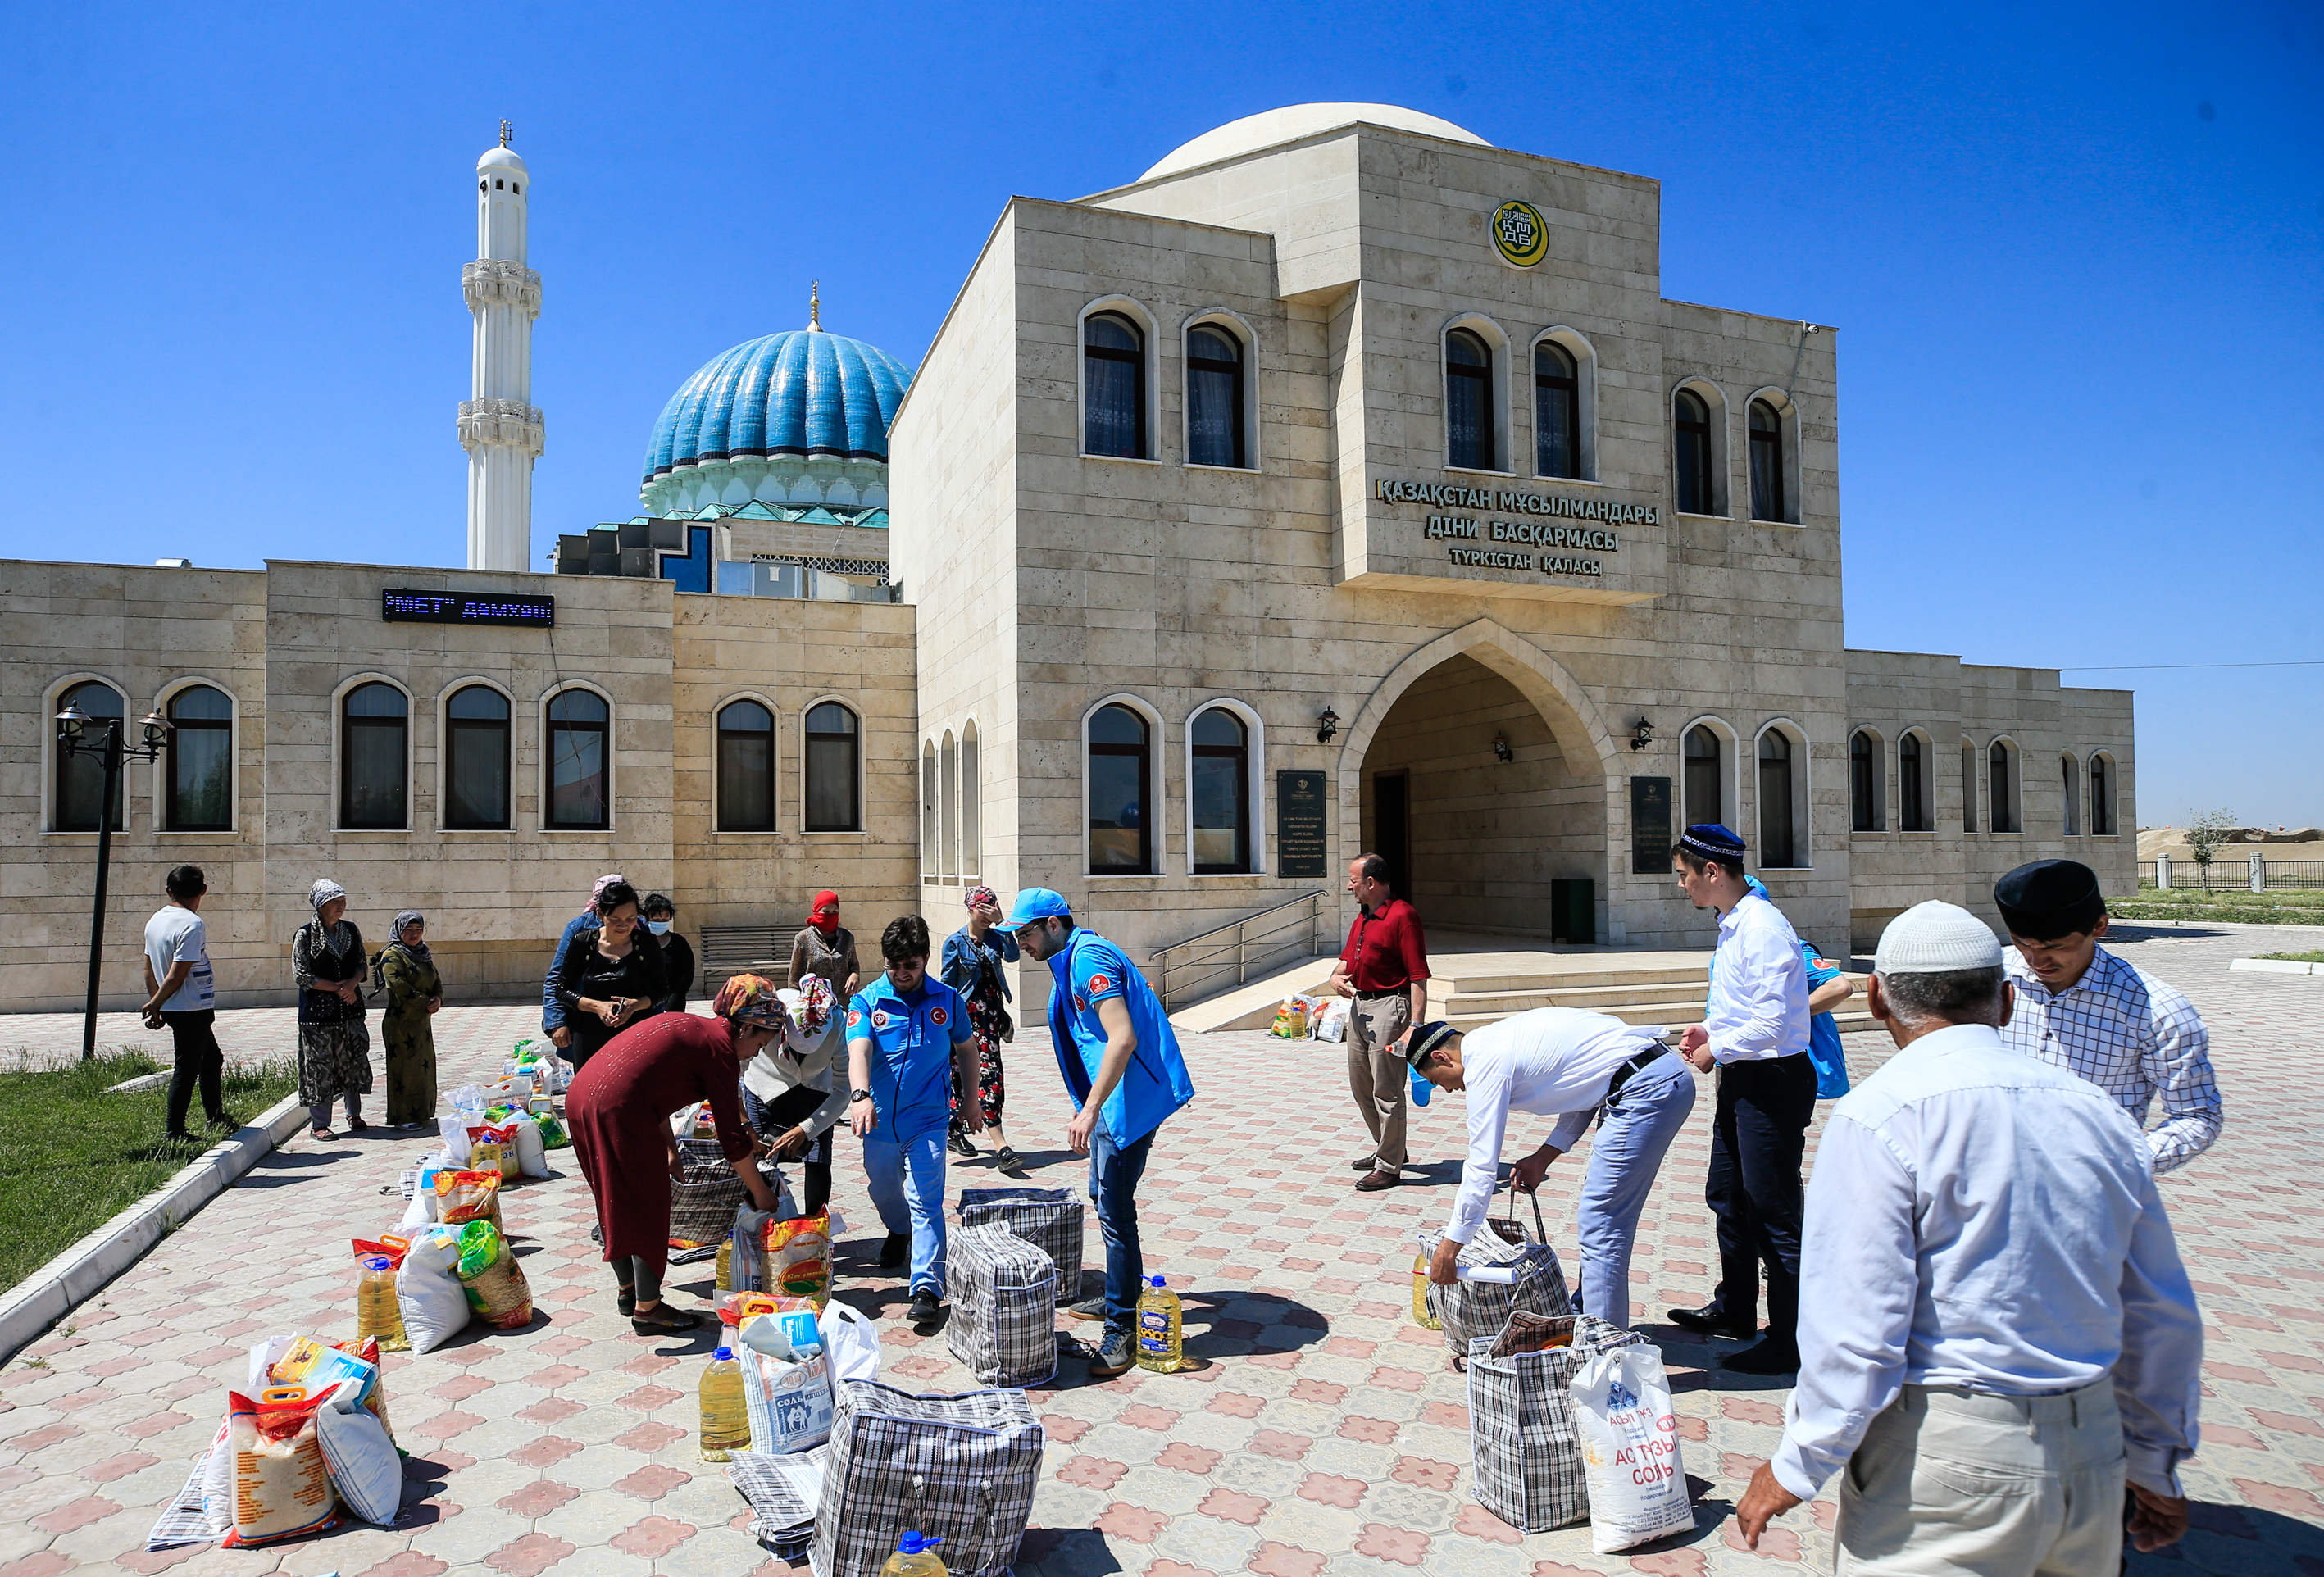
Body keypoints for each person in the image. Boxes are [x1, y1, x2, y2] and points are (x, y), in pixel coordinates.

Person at [1735, 900, 2200, 1571]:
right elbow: (2162, 1312)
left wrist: (1797, 1463)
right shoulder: (2099, 1115)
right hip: (2090, 1452)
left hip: (1948, 1459)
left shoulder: (1881, 1115)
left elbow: (1859, 1327)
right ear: (2006, 1001)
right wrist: (2153, 1460)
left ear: (1874, 998)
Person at [1006, 887, 1197, 1379]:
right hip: (1117, 1101)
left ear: (1053, 924)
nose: (1021, 944)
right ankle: (1122, 1291)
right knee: (1102, 1194)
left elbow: (1123, 1036)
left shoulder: (1087, 957)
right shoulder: (1069, 958)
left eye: (1025, 933)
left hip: (1125, 1104)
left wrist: (1089, 1111)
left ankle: (1125, 1327)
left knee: (1114, 1209)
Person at [1412, 1009, 1694, 1327]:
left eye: (1438, 1081)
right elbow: (1586, 1085)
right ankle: (1588, 1315)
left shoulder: (1485, 1066)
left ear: (1442, 1057)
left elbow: (1481, 1166)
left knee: (1602, 1221)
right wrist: (1543, 1157)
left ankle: (1603, 1348)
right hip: (1649, 1075)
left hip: (1645, 1088)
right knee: (1601, 1218)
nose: (1448, 1090)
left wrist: (1450, 1248)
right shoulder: (1495, 1039)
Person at [1663, 824, 1814, 1375]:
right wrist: (1707, 1032)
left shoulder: (1763, 928)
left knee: (1773, 1213)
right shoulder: (1732, 924)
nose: (1681, 886)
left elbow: (1775, 1021)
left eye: (1684, 875)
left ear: (1711, 872)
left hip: (1772, 1081)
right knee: (1728, 1195)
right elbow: (1740, 1007)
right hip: (1744, 1076)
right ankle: (1735, 1310)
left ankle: (1789, 1339)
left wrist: (1716, 1047)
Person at [566, 975, 781, 1334]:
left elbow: (654, 1087)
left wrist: (670, 1149)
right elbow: (731, 1141)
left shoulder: (694, 1027)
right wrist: (761, 1194)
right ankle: (648, 1310)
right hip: (619, 1111)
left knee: (612, 1196)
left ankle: (628, 1292)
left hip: (582, 1099)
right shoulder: (721, 1051)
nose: (758, 1052)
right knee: (649, 1206)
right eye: (761, 1042)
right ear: (745, 1028)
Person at [1994, 859, 2221, 1172]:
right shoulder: (1989, 979)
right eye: (2021, 943)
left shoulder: (2157, 1010)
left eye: (2055, 946)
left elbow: (2197, 1117)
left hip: (2090, 1198)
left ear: (2100, 927)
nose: (2036, 959)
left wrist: (2116, 1167)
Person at [848, 914, 980, 1328]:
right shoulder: (867, 1001)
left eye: (912, 965)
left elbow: (968, 1050)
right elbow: (859, 1051)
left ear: (925, 960)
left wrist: (972, 1102)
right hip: (879, 1120)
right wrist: (861, 1095)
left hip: (929, 1119)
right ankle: (897, 1230)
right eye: (895, 965)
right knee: (884, 1188)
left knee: (926, 1200)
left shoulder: (948, 1000)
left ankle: (927, 1286)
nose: (903, 974)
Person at [1326, 852, 1431, 1193]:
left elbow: (1418, 976)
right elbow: (1347, 961)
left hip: (1390, 1009)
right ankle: (1390, 1149)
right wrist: (1335, 977)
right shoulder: (1364, 917)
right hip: (1360, 1005)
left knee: (1387, 1090)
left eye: (1353, 880)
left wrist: (1415, 1025)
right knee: (1362, 1087)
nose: (1348, 886)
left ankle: (1389, 1166)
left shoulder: (1403, 916)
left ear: (1371, 882)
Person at [739, 975, 842, 1216]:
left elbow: (844, 1089)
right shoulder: (773, 1007)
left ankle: (814, 1230)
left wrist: (807, 1128)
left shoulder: (840, 1023)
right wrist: (743, 1122)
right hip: (765, 1084)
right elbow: (736, 1056)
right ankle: (762, 1228)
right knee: (761, 1156)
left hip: (816, 1091)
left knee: (817, 1159)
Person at [141, 863, 225, 1141]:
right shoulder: (191, 924)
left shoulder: (156, 920)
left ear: (168, 891)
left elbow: (148, 968)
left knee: (212, 1059)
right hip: (191, 1007)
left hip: (177, 1006)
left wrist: (158, 1004)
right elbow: (177, 975)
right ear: (203, 890)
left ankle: (216, 1117)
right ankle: (174, 1131)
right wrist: (155, 1005)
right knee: (187, 1068)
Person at [942, 884, 1023, 1171]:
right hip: (963, 1018)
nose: (987, 914)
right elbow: (947, 986)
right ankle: (997, 1144)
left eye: (992, 908)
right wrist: (944, 1023)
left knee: (989, 1073)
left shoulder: (996, 938)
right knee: (962, 1075)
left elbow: (1014, 956)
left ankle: (969, 1132)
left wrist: (1003, 923)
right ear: (970, 909)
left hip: (990, 1018)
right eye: (983, 909)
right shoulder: (955, 943)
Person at [550, 879, 667, 1068]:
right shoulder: (582, 942)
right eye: (615, 919)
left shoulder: (647, 944)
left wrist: (635, 1005)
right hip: (588, 1033)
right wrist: (597, 1007)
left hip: (634, 1032)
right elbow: (561, 989)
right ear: (600, 914)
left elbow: (662, 990)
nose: (624, 926)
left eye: (631, 918)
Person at [293, 878, 372, 1139]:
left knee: (352, 1060)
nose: (340, 906)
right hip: (319, 1016)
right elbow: (302, 975)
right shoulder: (305, 935)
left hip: (350, 1009)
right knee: (320, 1067)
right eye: (334, 902)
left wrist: (351, 984)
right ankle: (320, 1124)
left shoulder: (350, 930)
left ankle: (355, 1114)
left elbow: (362, 964)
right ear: (320, 905)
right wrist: (337, 988)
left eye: (342, 901)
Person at [543, 872, 627, 1052]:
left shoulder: (639, 929)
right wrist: (557, 1022)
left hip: (628, 1020)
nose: (623, 925)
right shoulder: (579, 930)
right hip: (586, 1020)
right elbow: (557, 980)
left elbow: (655, 983)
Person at [374, 909, 441, 1127]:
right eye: (409, 930)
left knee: (423, 1068)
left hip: (421, 1022)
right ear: (398, 931)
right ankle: (402, 1118)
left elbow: (435, 978)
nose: (414, 935)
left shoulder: (422, 953)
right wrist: (424, 1001)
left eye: (418, 930)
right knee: (404, 1070)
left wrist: (438, 998)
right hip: (401, 1023)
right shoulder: (392, 955)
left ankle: (421, 1114)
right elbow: (397, 985)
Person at [790, 889, 861, 1001]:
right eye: (826, 912)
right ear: (817, 911)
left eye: (835, 911)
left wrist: (854, 976)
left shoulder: (847, 937)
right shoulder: (803, 938)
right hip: (815, 1005)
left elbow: (854, 965)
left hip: (842, 1002)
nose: (831, 916)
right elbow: (794, 979)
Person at [643, 892, 696, 1016]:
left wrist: (669, 1009)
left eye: (665, 919)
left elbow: (684, 980)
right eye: (656, 919)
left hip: (672, 1011)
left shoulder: (679, 944)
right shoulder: (638, 943)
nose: (660, 922)